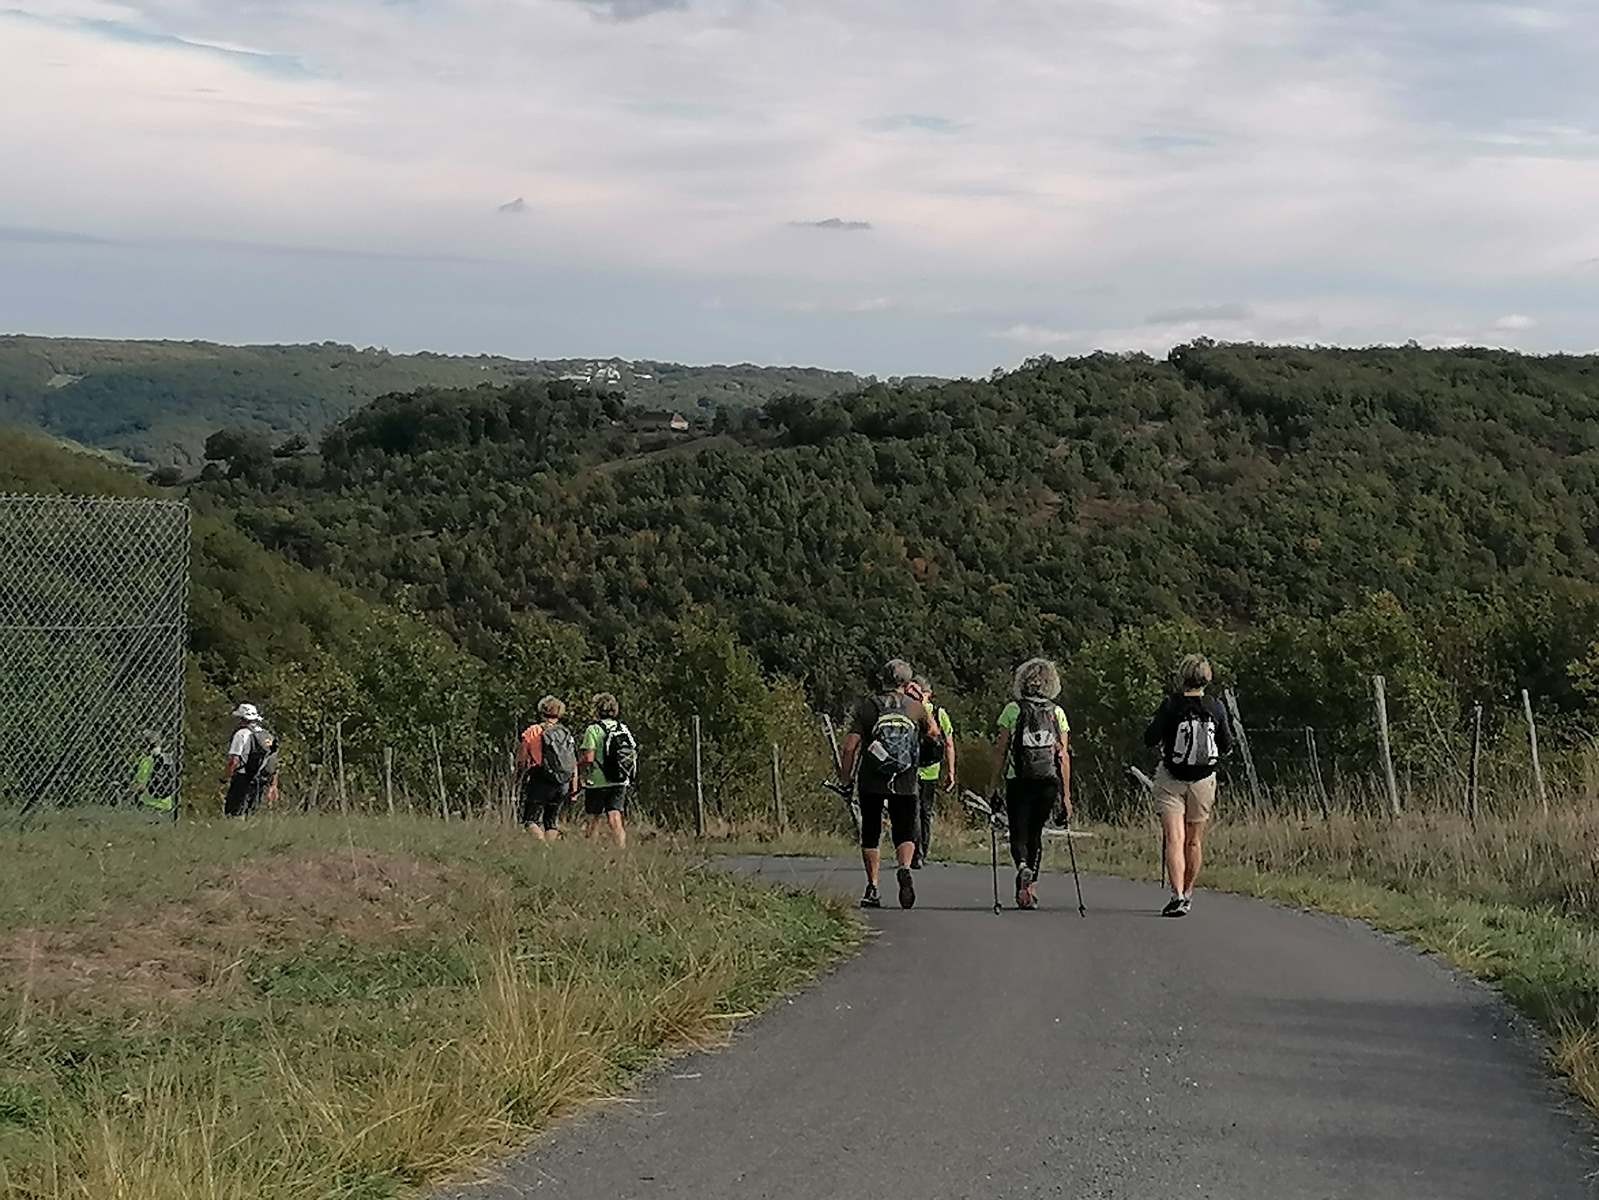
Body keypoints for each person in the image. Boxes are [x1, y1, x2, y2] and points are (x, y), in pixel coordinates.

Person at [839, 659, 942, 909]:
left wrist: (846, 779)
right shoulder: (915, 708)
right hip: (906, 776)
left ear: (881, 679)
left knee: (871, 831)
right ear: (907, 683)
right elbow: (934, 734)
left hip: (872, 777)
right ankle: (904, 868)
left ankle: (873, 887)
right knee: (905, 829)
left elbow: (850, 746)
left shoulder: (869, 706)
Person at [1144, 654, 1232, 917]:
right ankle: (1189, 893)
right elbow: (1226, 745)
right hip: (1203, 780)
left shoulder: (1171, 705)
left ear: (1182, 676)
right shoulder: (1215, 706)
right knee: (1193, 841)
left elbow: (1150, 738)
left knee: (1174, 838)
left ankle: (1177, 895)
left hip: (1171, 777)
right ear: (1207, 677)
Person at [992, 658, 1072, 910]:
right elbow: (1063, 756)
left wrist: (993, 784)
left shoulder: (1012, 710)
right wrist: (1066, 795)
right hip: (1048, 781)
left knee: (1019, 830)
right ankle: (1030, 890)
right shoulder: (1057, 713)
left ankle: (1023, 867)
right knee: (1036, 832)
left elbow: (1000, 750)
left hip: (1019, 780)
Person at [577, 693, 637, 848]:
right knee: (615, 816)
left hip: (598, 780)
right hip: (619, 778)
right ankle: (621, 849)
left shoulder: (593, 730)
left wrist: (578, 766)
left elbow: (589, 757)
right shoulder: (623, 728)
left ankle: (590, 850)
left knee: (593, 817)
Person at [516, 696, 577, 841]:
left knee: (530, 819)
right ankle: (549, 852)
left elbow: (522, 759)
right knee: (551, 821)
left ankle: (542, 847)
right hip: (563, 781)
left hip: (541, 778)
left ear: (542, 710)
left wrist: (520, 776)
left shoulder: (533, 730)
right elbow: (573, 762)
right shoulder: (566, 733)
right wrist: (573, 787)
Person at [912, 675, 955, 869]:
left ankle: (913, 852)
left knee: (911, 811)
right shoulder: (939, 713)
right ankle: (923, 853)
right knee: (925, 811)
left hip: (910, 768)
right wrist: (951, 771)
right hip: (931, 769)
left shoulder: (909, 710)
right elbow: (949, 743)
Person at [222, 703, 277, 817]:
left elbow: (234, 760)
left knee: (233, 812)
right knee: (251, 813)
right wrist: (273, 785)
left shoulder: (241, 734)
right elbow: (273, 760)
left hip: (243, 777)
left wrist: (225, 778)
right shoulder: (266, 735)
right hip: (260, 779)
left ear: (241, 718)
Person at [128, 730, 176, 814]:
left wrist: (128, 788)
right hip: (167, 806)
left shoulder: (146, 762)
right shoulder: (167, 759)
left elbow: (141, 786)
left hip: (149, 805)